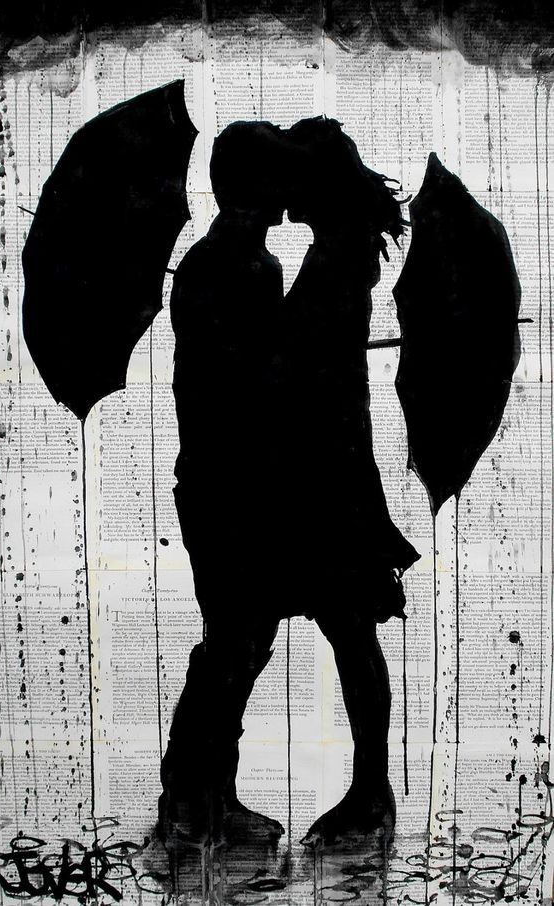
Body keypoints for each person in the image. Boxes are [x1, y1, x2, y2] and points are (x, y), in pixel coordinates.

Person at [159, 117, 420, 849]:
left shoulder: (311, 259)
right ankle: (200, 796)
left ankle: (215, 795)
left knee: (272, 635)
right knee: (246, 638)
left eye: (296, 174)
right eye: (279, 175)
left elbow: (290, 369)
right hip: (268, 480)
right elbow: (268, 375)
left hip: (317, 477)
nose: (288, 190)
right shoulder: (253, 265)